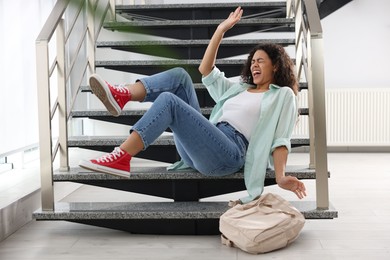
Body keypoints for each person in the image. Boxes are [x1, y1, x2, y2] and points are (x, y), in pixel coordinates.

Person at [79, 7, 307, 203]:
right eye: (252, 61)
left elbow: (280, 139)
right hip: (206, 143)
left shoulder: (283, 96)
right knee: (180, 77)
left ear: (276, 66)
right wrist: (220, 30)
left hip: (230, 152)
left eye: (261, 61)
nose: (254, 65)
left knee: (169, 101)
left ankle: (121, 157)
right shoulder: (239, 88)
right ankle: (123, 95)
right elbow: (205, 70)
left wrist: (281, 176)